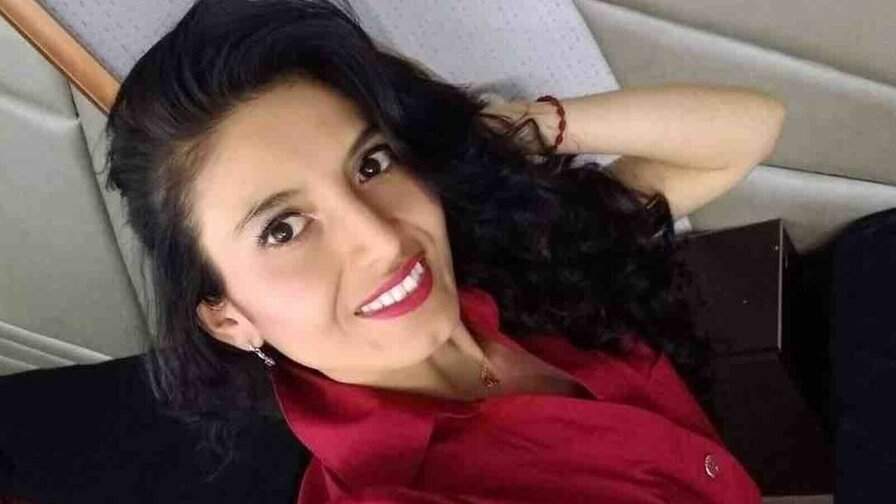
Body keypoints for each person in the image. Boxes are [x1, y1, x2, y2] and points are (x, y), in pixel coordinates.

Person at [95, 0, 786, 502]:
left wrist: (513, 131)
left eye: (370, 164)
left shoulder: (516, 257)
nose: (381, 237)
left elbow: (750, 129)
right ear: (228, 317)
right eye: (283, 229)